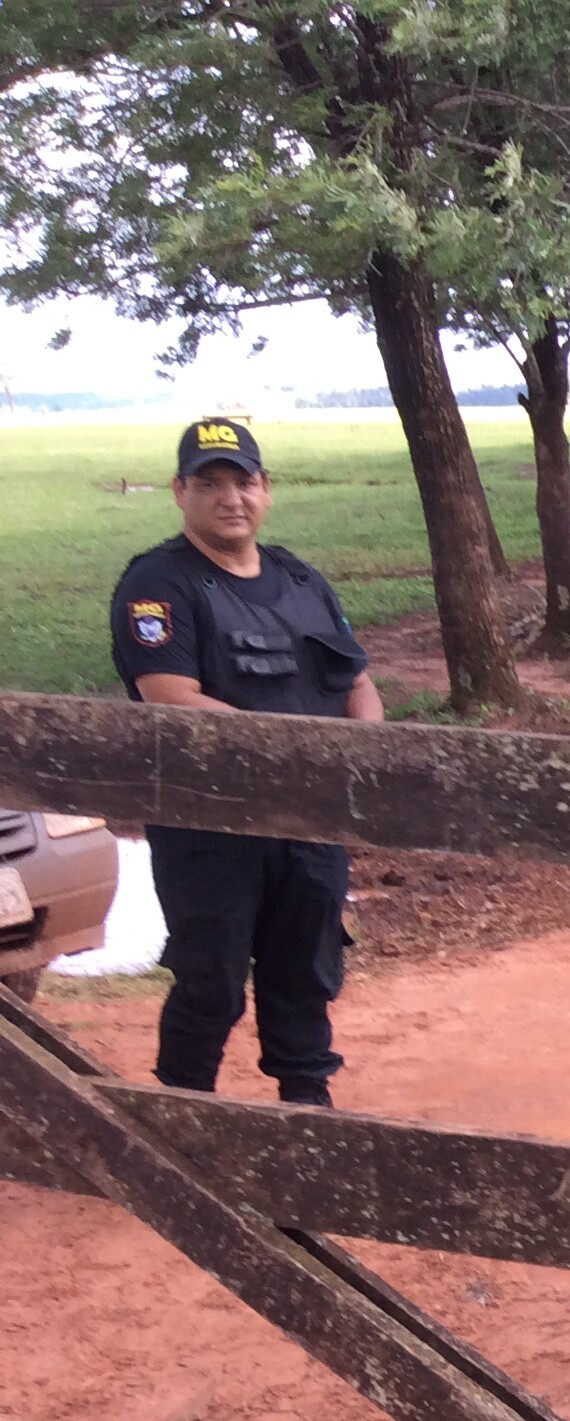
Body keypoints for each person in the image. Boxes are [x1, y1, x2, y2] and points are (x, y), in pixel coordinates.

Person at [109, 418, 383, 1108]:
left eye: (244, 481)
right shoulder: (158, 584)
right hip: (211, 832)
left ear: (266, 490)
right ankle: (184, 1130)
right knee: (212, 983)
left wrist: (360, 761)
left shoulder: (300, 579)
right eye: (211, 483)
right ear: (181, 492)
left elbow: (358, 684)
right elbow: (170, 696)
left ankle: (308, 1134)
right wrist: (298, 758)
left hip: (309, 825)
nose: (231, 498)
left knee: (305, 978)